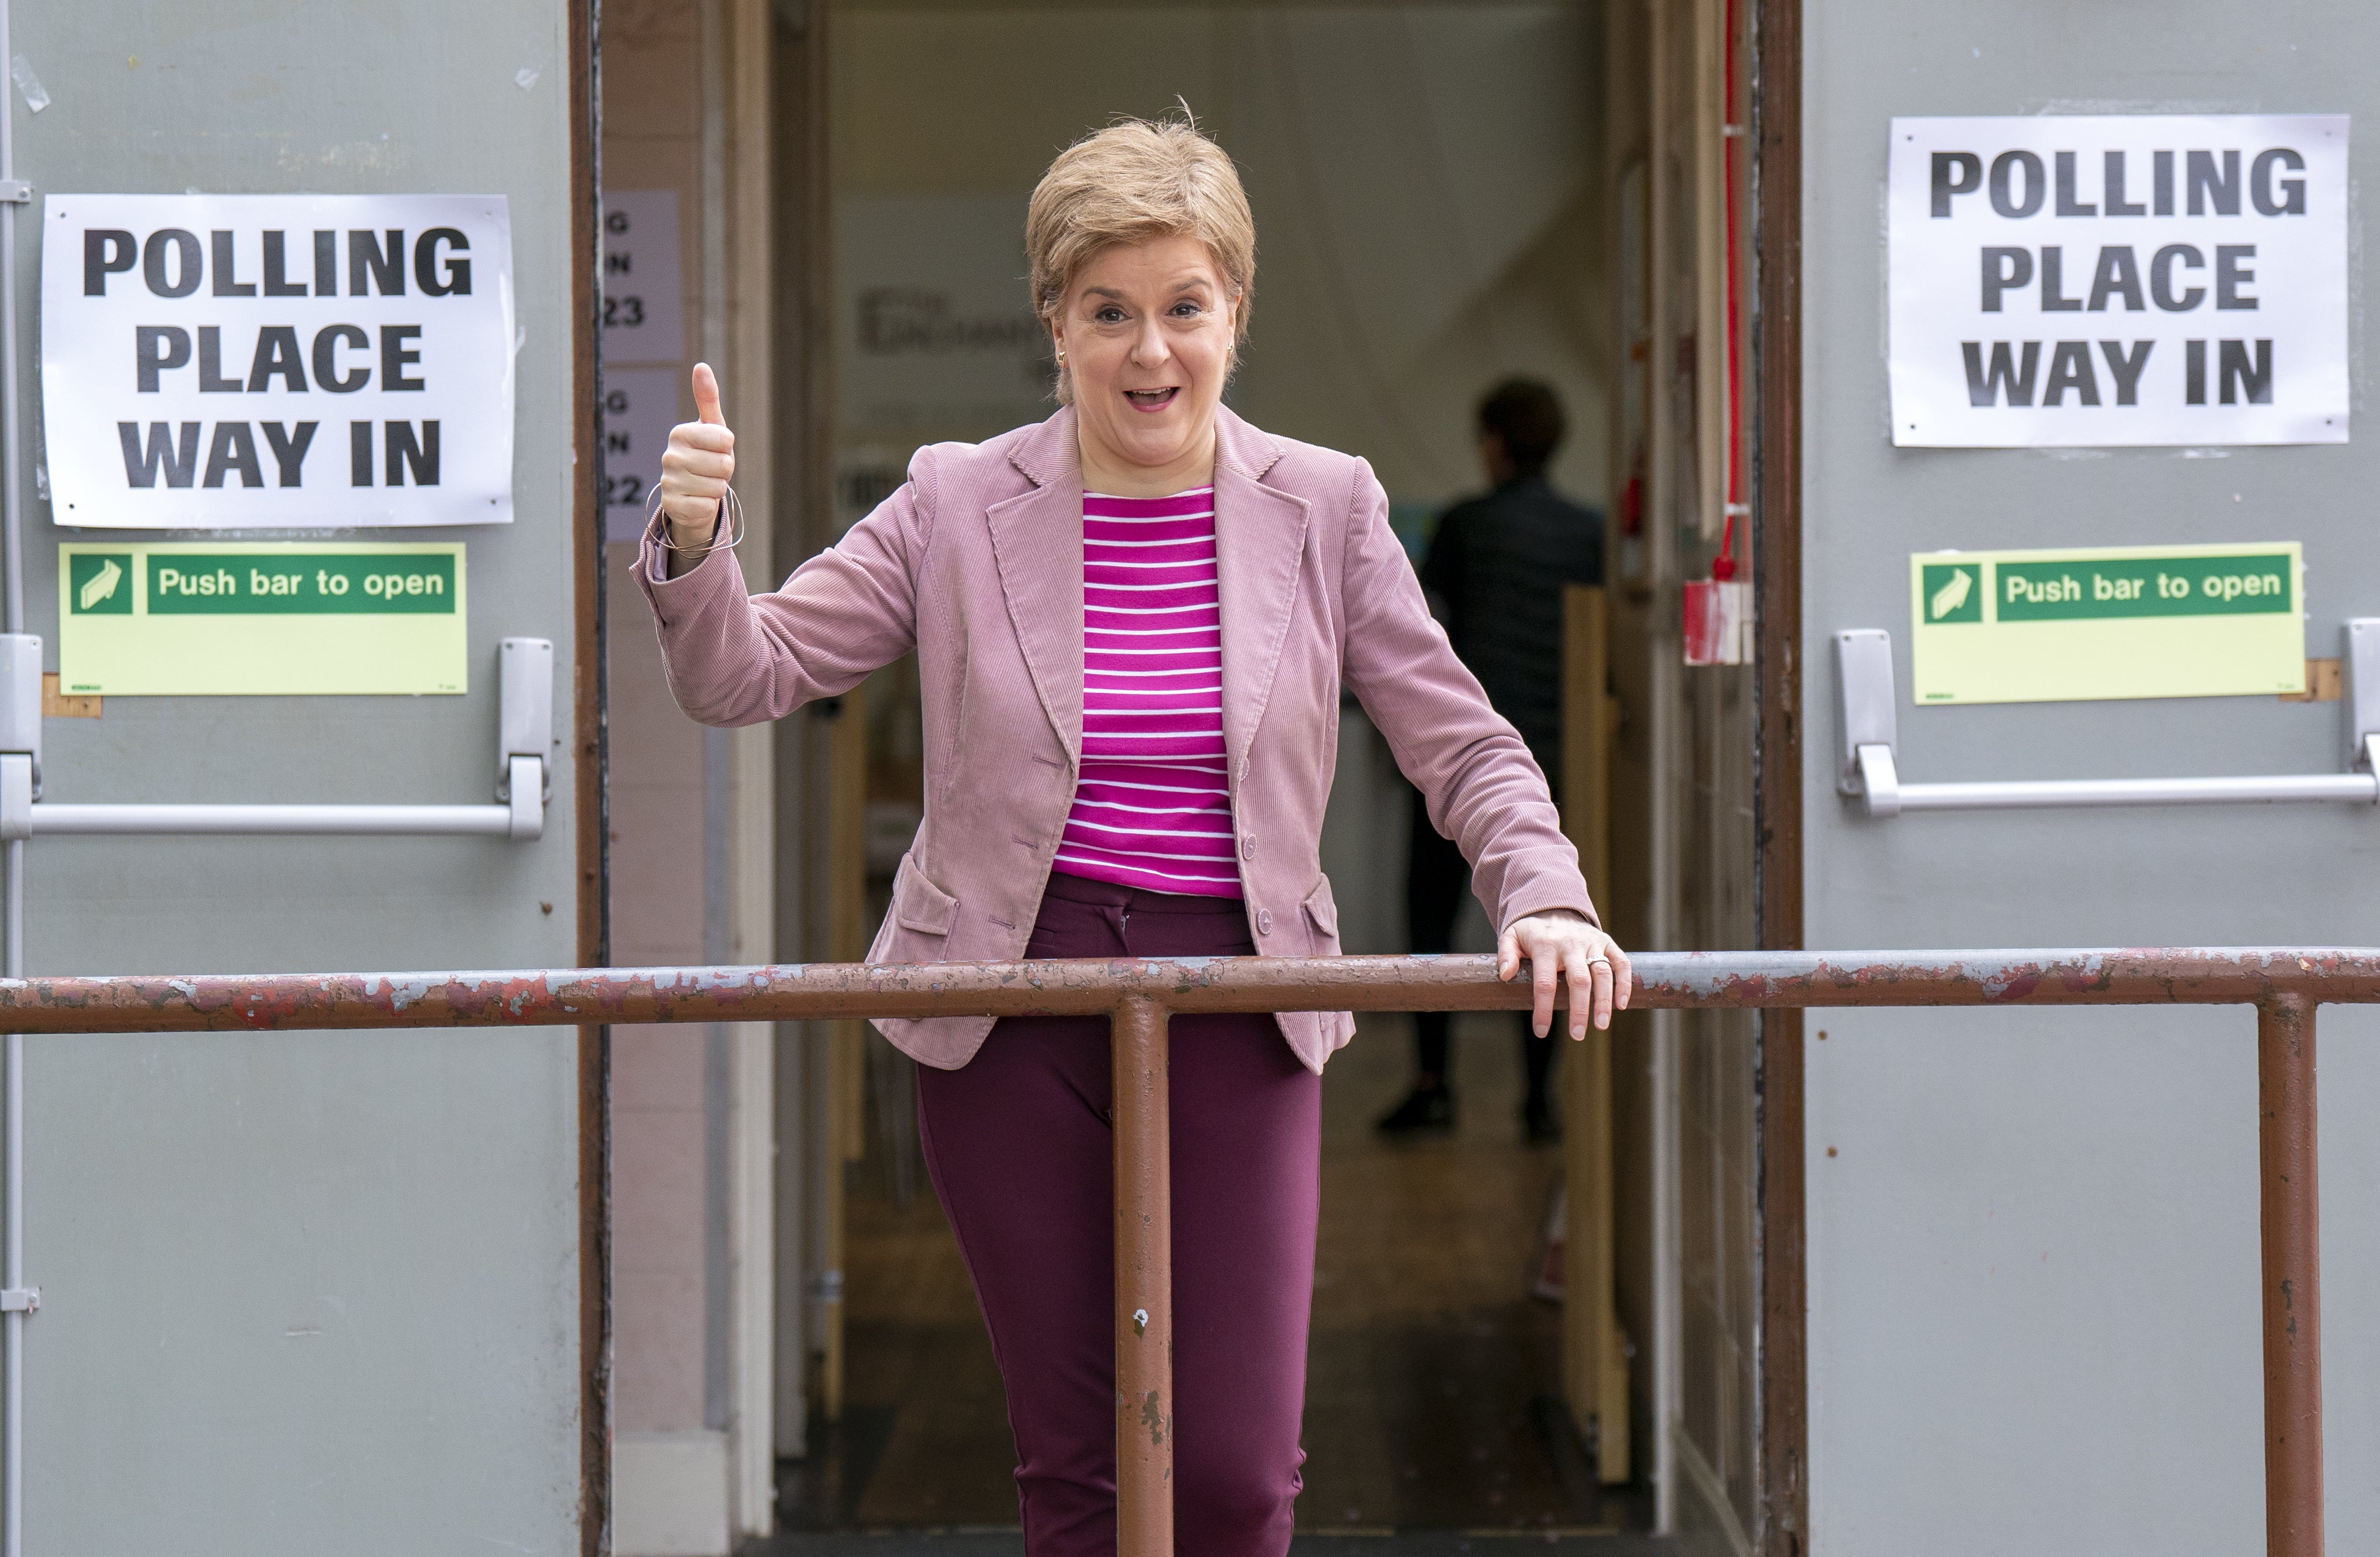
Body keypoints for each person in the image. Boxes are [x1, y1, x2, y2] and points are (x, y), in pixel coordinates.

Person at [641, 115, 1630, 1557]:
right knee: (1082, 1475)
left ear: (1237, 311)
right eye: (1108, 311)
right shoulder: (956, 498)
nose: (1148, 349)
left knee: (1231, 1479)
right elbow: (747, 673)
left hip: (1236, 1002)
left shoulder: (1328, 504)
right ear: (1055, 321)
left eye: (1182, 306)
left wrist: (1542, 892)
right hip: (1007, 1012)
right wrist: (692, 537)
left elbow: (1458, 737)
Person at [1375, 380, 1606, 1144]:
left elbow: (1419, 647)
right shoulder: (1589, 533)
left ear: (1496, 443)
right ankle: (1539, 1100)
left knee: (1430, 925)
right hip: (1556, 755)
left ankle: (1434, 1084)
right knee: (1543, 929)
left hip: (1457, 753)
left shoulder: (1463, 526)